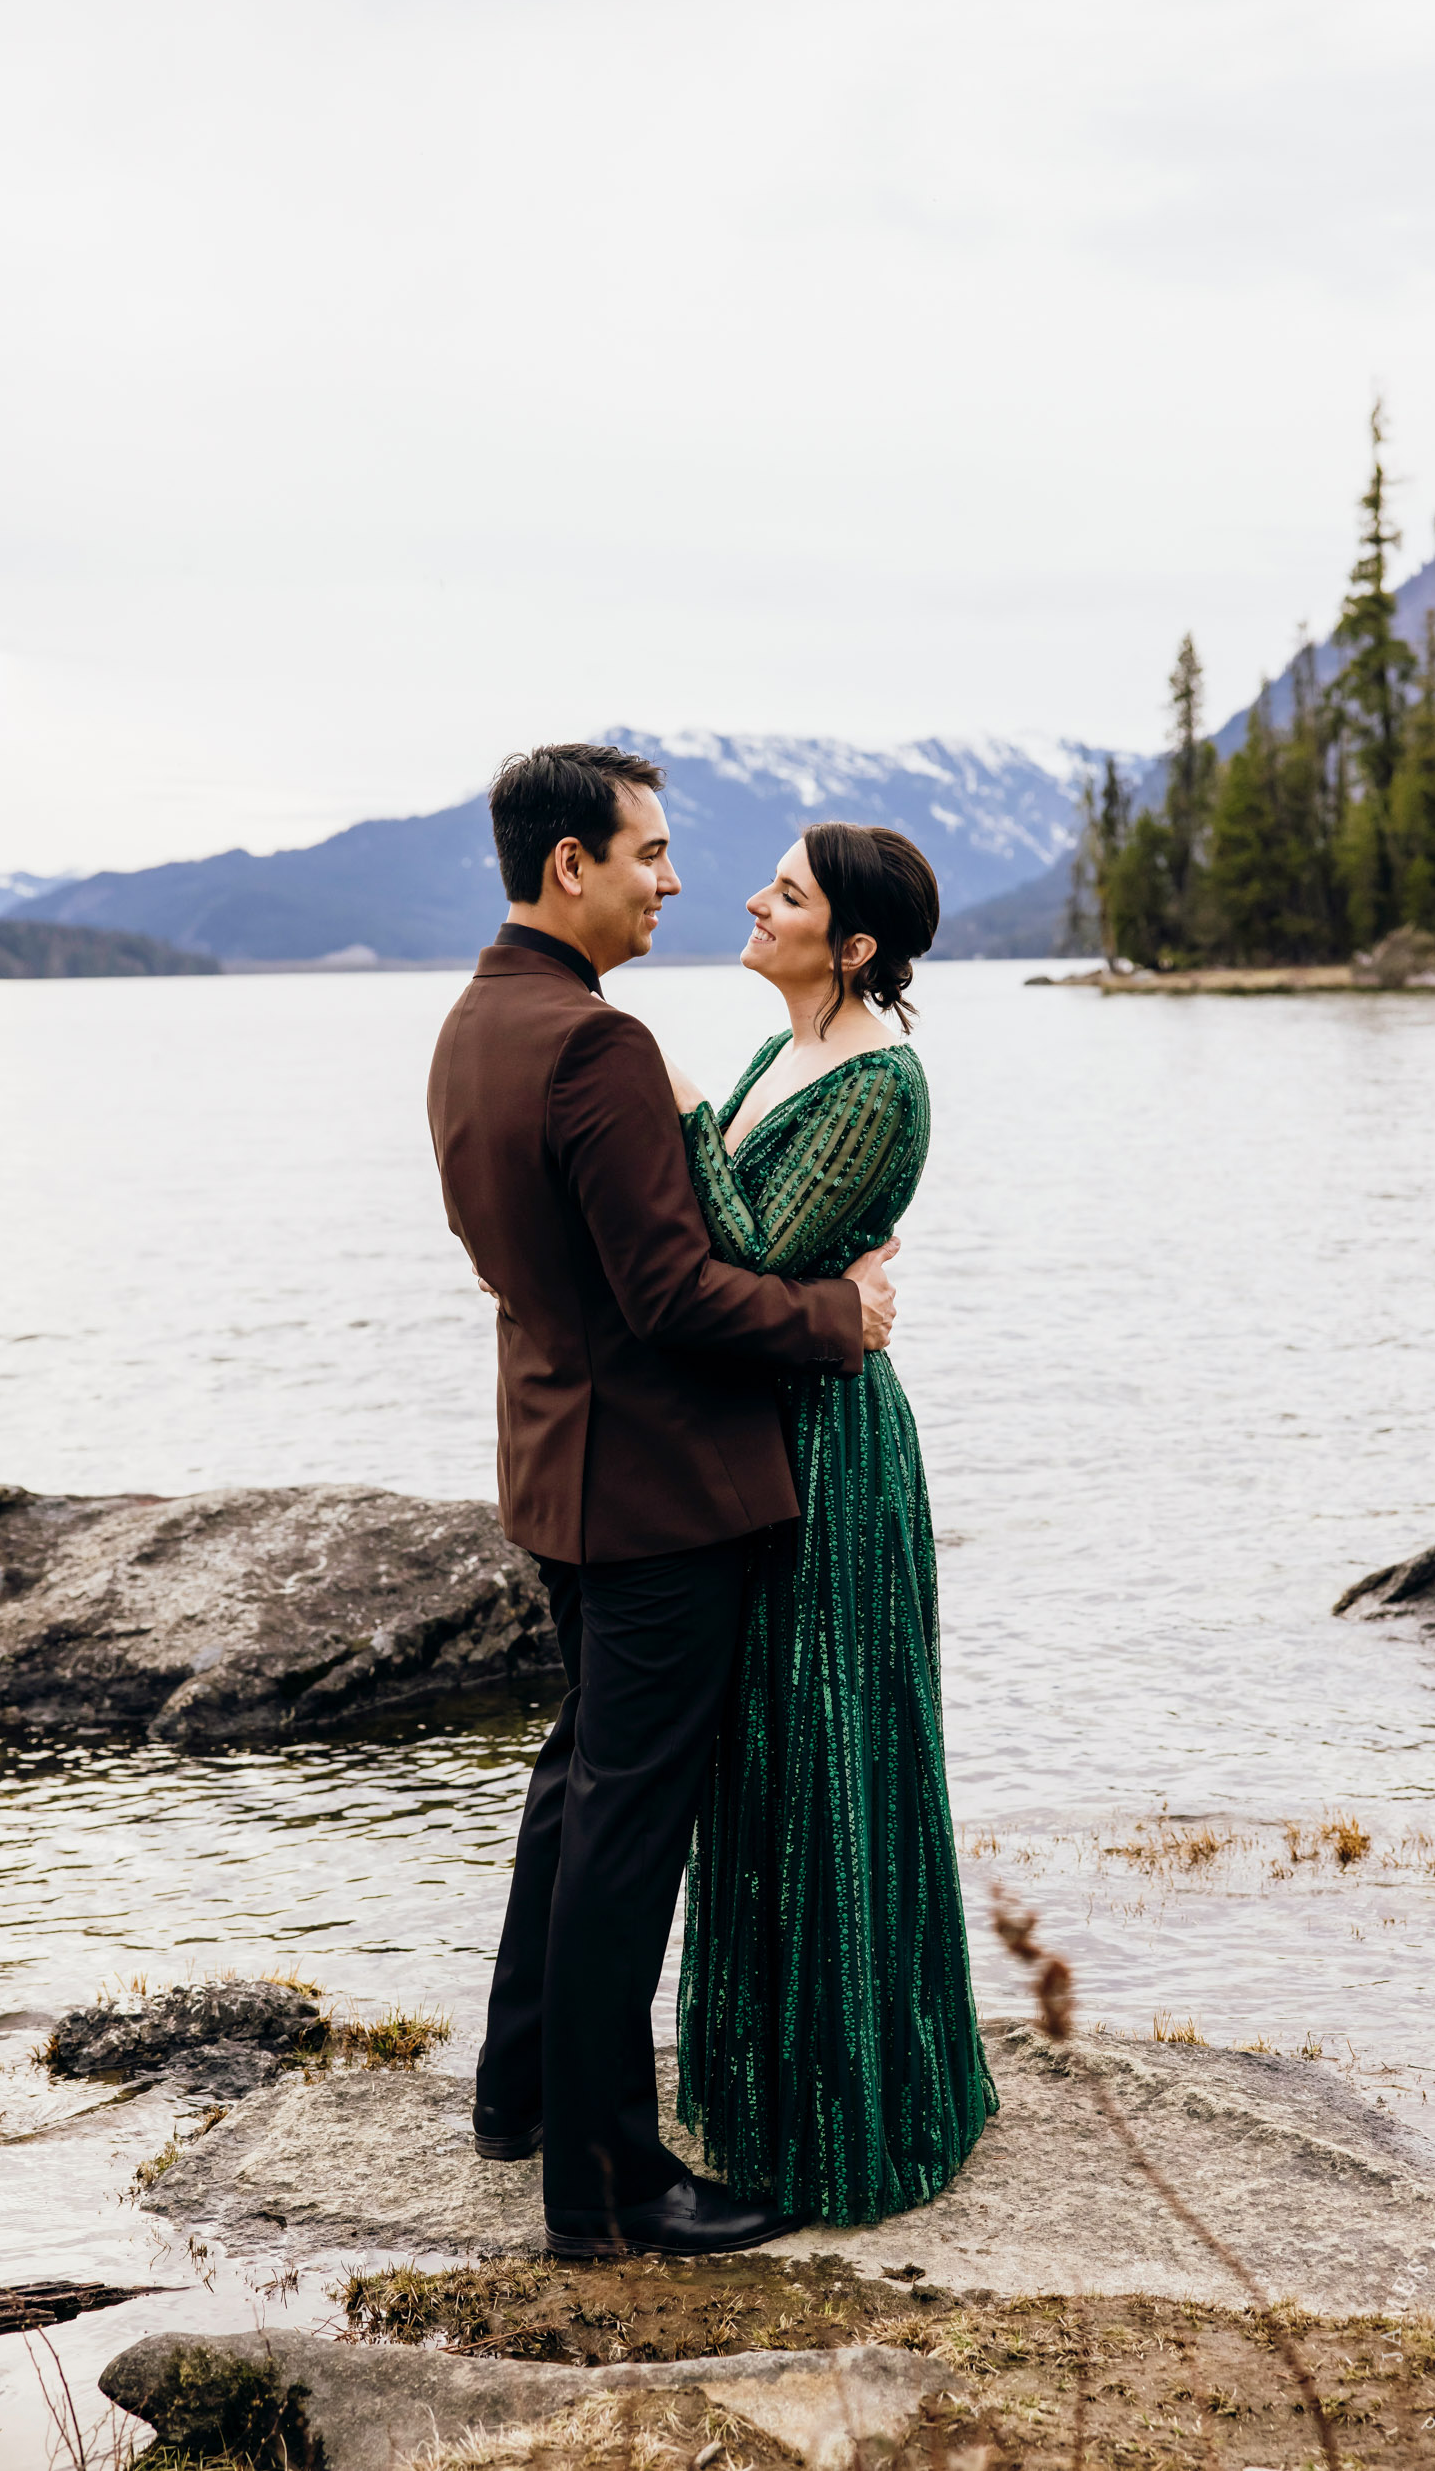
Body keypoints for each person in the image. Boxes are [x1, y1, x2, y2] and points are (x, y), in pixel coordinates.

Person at [427, 742, 899, 2261]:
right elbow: (676, 1293)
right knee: (629, 1833)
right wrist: (845, 1321)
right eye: (649, 854)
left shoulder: (474, 1025)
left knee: (576, 1794)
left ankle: (520, 2097)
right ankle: (613, 2189)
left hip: (556, 1471)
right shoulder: (597, 1047)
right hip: (659, 1492)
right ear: (571, 864)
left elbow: (540, 1278)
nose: (674, 881)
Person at [663, 822, 998, 2225]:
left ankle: (861, 2111)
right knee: (762, 1759)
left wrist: (675, 1109)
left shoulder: (881, 1087)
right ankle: (762, 2091)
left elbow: (742, 1249)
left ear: (851, 944)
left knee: (833, 1755)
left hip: (832, 1455)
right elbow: (739, 1241)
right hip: (766, 1431)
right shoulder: (788, 1051)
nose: (753, 899)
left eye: (786, 893)